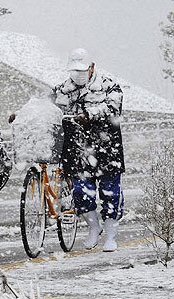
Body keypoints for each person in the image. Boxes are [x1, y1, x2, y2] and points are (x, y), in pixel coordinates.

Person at [52, 48, 125, 252]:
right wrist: (23, 114)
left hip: (107, 148)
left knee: (110, 193)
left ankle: (111, 233)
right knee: (81, 192)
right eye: (74, 70)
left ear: (91, 67)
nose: (78, 74)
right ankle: (94, 227)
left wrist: (90, 114)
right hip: (77, 149)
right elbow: (46, 105)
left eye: (82, 70)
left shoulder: (109, 86)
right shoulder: (63, 90)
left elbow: (113, 109)